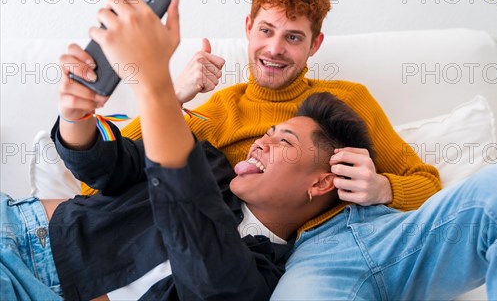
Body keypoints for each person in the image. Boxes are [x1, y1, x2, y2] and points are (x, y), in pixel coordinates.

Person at [66, 0, 497, 299]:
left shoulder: (346, 101)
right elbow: (112, 186)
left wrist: (384, 188)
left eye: (293, 37)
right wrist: (172, 95)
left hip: (352, 233)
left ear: (315, 44)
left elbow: (428, 183)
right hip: (283, 255)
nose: (275, 48)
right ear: (247, 28)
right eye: (266, 30)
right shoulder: (220, 108)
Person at [1, 86, 374, 299]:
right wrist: (75, 117)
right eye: (269, 132)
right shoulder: (206, 162)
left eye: (284, 141)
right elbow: (108, 165)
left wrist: (381, 187)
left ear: (321, 183)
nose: (262, 142)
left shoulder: (270, 276)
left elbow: (204, 264)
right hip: (20, 229)